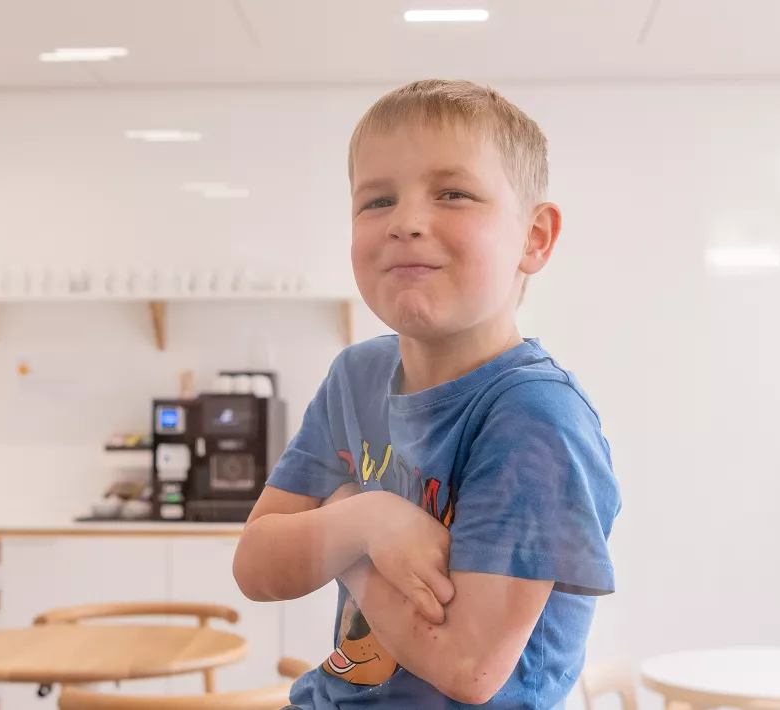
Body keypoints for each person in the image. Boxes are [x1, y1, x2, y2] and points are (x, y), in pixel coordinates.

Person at [232, 79, 621, 709]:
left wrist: (348, 546)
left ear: (535, 238)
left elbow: (468, 668)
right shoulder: (355, 378)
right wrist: (367, 518)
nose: (407, 222)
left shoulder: (533, 417)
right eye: (377, 200)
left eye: (454, 194)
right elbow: (255, 567)